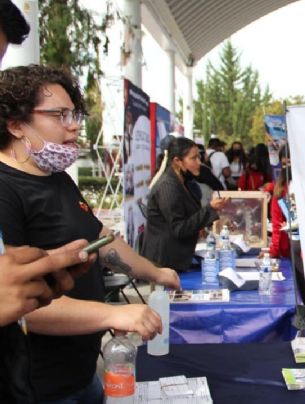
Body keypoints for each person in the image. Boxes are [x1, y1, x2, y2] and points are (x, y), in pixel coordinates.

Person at [0, 64, 181, 403]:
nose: (73, 125)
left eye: (75, 114)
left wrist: (154, 271)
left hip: (83, 376)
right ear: (15, 124)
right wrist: (113, 313)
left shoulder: (58, 179)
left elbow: (102, 240)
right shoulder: (5, 189)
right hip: (38, 387)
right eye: (59, 115)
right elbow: (17, 301)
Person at [142, 137, 229, 271]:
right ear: (177, 161)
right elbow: (179, 229)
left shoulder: (182, 182)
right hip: (165, 263)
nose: (199, 163)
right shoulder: (168, 186)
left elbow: (189, 218)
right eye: (193, 158)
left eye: (199, 157)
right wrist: (210, 208)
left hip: (176, 259)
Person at [267, 144, 292, 258]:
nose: (287, 167)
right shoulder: (280, 188)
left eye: (290, 163)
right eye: (284, 164)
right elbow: (277, 223)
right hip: (288, 249)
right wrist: (274, 251)